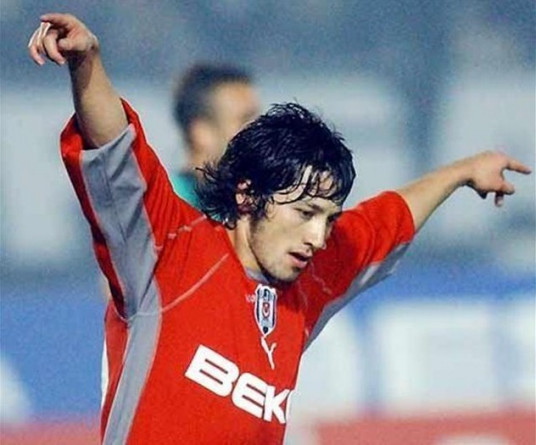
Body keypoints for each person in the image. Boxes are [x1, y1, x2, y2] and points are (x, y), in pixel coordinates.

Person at [28, 13, 531, 445]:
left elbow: (386, 220)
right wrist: (87, 62)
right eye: (305, 213)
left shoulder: (308, 281)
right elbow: (117, 148)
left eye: (328, 218)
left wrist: (461, 172)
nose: (318, 236)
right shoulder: (170, 252)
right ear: (249, 196)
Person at [170, 63, 260, 207]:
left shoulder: (256, 200)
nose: (260, 130)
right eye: (244, 120)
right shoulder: (166, 205)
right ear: (201, 133)